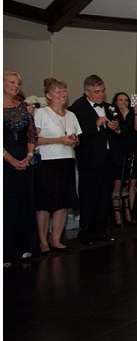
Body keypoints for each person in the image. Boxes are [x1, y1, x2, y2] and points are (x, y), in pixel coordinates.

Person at [68, 75, 120, 246]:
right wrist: (95, 124)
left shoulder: (110, 107)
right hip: (89, 160)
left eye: (103, 91)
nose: (101, 95)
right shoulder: (77, 108)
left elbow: (124, 130)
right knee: (89, 196)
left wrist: (117, 128)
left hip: (108, 158)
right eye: (97, 92)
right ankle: (86, 233)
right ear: (87, 92)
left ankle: (100, 230)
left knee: (104, 196)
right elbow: (76, 134)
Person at [33, 78, 81, 254]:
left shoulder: (71, 115)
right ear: (48, 95)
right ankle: (42, 240)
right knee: (45, 203)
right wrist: (58, 140)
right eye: (58, 92)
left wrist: (73, 141)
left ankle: (56, 239)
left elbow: (78, 139)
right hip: (47, 162)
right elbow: (34, 139)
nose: (63, 94)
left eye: (64, 91)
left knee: (63, 202)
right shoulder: (42, 113)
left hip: (67, 160)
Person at [4, 72, 40, 265]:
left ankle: (22, 247)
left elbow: (32, 135)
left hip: (24, 161)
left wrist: (28, 156)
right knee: (6, 206)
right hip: (4, 162)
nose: (15, 86)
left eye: (18, 83)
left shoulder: (23, 108)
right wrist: (10, 160)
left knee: (23, 204)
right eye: (11, 82)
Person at [110, 92, 137, 226]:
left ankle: (129, 214)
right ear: (116, 102)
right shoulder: (112, 113)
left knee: (132, 184)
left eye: (126, 100)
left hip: (132, 151)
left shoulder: (132, 114)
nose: (123, 102)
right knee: (117, 185)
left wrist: (136, 114)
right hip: (117, 152)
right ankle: (117, 216)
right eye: (120, 100)